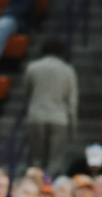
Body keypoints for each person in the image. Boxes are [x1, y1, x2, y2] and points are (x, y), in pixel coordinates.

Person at [23, 37, 78, 173]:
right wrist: (72, 127)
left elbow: (27, 92)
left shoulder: (32, 67)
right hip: (59, 119)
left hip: (36, 117)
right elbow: (72, 102)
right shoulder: (68, 70)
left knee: (36, 160)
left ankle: (36, 184)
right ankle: (49, 184)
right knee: (55, 162)